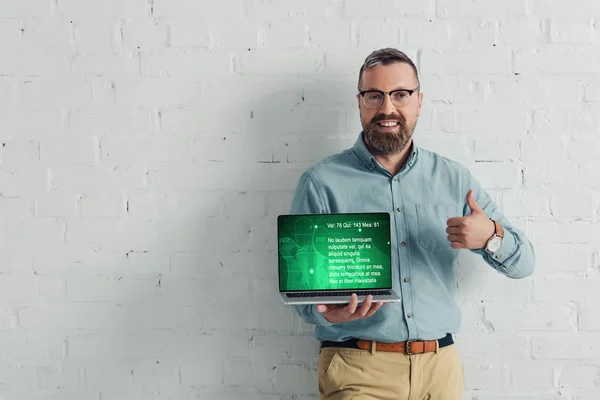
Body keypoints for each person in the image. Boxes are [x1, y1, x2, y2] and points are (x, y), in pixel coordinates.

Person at [289, 48, 535, 400]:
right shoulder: (321, 183)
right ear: (360, 102)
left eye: (400, 95)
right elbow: (301, 297)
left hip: (440, 370)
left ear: (419, 102)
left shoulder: (453, 178)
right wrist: (331, 314)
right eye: (375, 95)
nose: (387, 108)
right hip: (359, 367)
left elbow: (525, 264)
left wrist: (490, 238)